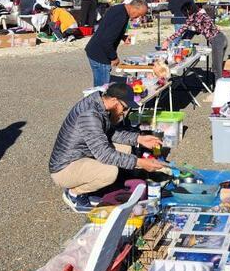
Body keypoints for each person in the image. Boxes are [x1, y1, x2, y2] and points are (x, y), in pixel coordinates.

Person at [49, 81, 166, 212]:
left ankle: (95, 185)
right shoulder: (90, 116)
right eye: (125, 107)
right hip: (64, 168)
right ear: (115, 100)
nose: (125, 112)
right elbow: (104, 154)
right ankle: (75, 194)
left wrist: (139, 139)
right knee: (110, 173)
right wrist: (139, 162)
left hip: (81, 155)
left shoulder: (99, 103)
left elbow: (110, 133)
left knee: (126, 148)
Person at [85, 0, 148, 87]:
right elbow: (106, 41)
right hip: (100, 53)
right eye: (139, 14)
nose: (139, 17)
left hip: (94, 49)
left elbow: (108, 27)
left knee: (102, 81)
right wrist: (114, 57)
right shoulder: (121, 17)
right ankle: (98, 100)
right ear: (135, 8)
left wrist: (122, 36)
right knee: (103, 87)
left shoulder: (119, 8)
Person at [164, 1, 227, 81]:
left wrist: (168, 40)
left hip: (217, 41)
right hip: (222, 38)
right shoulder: (201, 14)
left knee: (216, 68)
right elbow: (199, 29)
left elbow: (181, 30)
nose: (184, 16)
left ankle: (218, 88)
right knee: (218, 66)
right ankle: (218, 84)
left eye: (184, 13)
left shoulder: (194, 17)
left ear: (187, 11)